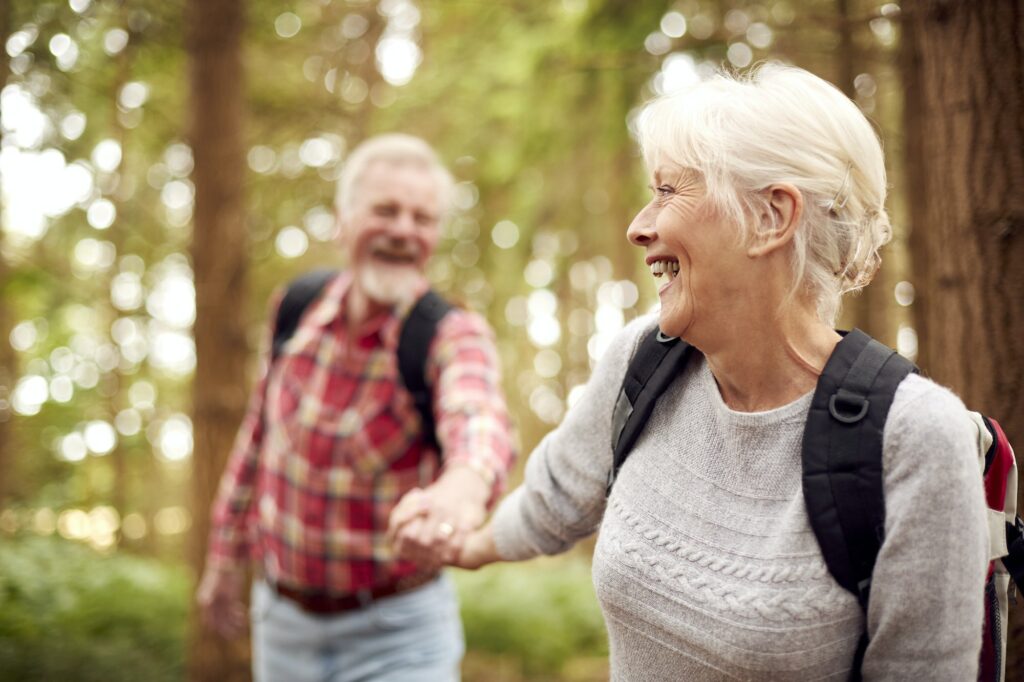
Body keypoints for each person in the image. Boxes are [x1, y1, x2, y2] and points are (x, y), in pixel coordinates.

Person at [394, 64, 989, 679]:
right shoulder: (643, 360)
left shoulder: (916, 438)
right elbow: (555, 499)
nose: (638, 226)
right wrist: (460, 545)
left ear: (770, 218)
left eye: (669, 193)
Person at [196, 133, 515, 682]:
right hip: (281, 625)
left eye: (422, 218)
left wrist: (459, 491)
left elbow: (478, 420)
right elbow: (258, 438)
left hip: (399, 634)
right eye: (386, 211)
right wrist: (224, 559)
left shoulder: (448, 335)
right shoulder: (296, 308)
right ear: (342, 221)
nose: (403, 231)